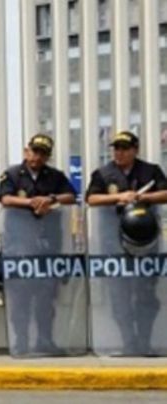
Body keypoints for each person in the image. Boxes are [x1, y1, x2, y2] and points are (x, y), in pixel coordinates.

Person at [86, 130, 167, 354]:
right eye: (116, 148)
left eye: (124, 148)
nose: (119, 153)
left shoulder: (150, 171)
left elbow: (165, 193)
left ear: (135, 150)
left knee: (146, 298)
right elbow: (91, 198)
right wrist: (119, 197)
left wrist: (143, 197)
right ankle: (128, 342)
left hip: (146, 244)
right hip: (113, 244)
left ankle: (145, 342)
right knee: (119, 298)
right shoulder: (103, 174)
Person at [0, 134, 77, 355]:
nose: (37, 156)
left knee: (46, 298)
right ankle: (21, 342)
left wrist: (51, 199)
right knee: (20, 298)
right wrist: (31, 202)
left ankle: (45, 340)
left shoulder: (54, 176)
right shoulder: (13, 174)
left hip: (48, 247)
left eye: (42, 153)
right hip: (19, 247)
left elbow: (72, 196)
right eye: (34, 151)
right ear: (26, 151)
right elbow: (5, 198)